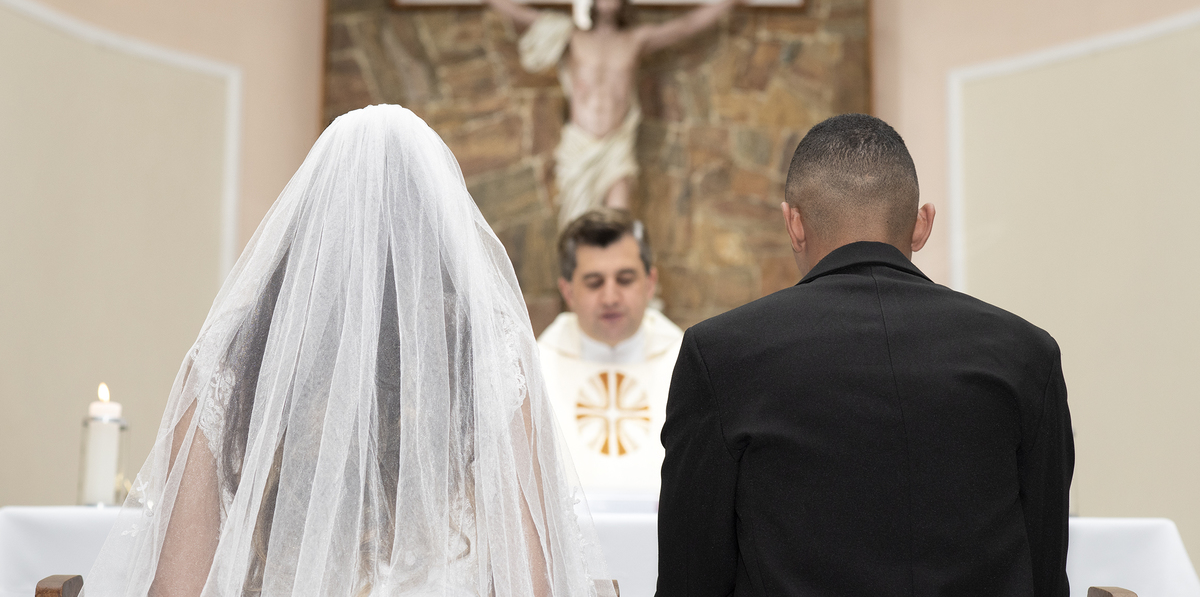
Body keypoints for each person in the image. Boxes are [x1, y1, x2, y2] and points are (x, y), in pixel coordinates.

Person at [86, 105, 614, 597]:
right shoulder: (490, 358)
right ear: (438, 225)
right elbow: (535, 580)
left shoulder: (228, 361)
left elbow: (178, 585)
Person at [657, 114, 1073, 597]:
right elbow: (1045, 567)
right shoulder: (1026, 353)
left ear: (794, 224)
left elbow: (691, 577)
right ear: (922, 225)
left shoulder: (722, 355)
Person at [445, 0, 767, 227]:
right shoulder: (572, 35)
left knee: (619, 223)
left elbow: (686, 26)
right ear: (594, 0)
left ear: (621, 1)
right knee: (576, 229)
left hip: (615, 144)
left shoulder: (635, 40)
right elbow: (520, 14)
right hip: (580, 142)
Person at [537, 209, 683, 495]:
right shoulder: (536, 370)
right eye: (594, 283)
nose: (610, 298)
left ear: (650, 283)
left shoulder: (687, 364)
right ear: (567, 292)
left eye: (625, 279)